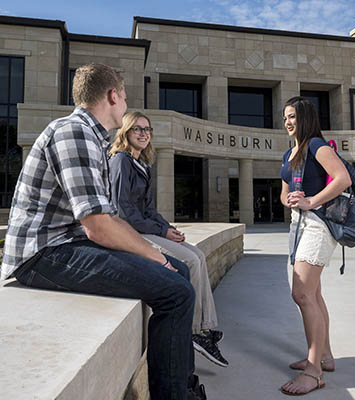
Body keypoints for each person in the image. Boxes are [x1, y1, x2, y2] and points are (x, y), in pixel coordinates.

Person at [0, 64, 206, 400]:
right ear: (112, 96)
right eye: (124, 96)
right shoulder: (73, 132)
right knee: (176, 292)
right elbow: (98, 225)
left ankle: (185, 387)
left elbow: (110, 218)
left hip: (67, 244)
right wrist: (156, 256)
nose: (125, 103)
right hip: (42, 254)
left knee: (180, 271)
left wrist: (160, 257)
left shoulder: (93, 138)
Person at [108, 111, 228, 368]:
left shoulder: (143, 164)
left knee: (197, 254)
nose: (143, 133)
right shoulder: (121, 161)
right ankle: (195, 331)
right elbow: (123, 213)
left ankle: (205, 327)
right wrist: (161, 232)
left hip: (145, 228)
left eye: (147, 129)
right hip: (130, 233)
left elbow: (149, 209)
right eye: (137, 129)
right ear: (126, 133)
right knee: (190, 262)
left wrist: (167, 228)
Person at [279, 97, 351, 396]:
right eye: (285, 117)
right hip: (298, 225)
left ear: (306, 117)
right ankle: (325, 356)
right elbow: (284, 193)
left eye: (293, 116)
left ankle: (314, 371)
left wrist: (311, 201)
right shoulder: (289, 152)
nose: (287, 122)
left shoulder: (318, 146)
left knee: (302, 293)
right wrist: (292, 199)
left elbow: (343, 179)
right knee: (314, 294)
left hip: (318, 225)